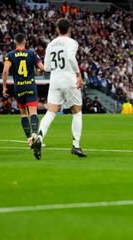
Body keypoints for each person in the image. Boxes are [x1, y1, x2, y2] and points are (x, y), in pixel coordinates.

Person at [36, 18, 86, 159]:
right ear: (69, 29)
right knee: (76, 111)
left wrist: (40, 70)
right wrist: (78, 75)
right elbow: (70, 58)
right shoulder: (72, 42)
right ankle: (76, 146)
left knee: (51, 112)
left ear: (57, 29)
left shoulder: (50, 44)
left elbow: (47, 67)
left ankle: (39, 137)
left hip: (55, 81)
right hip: (69, 80)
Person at [2, 33, 44, 156]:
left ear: (15, 42)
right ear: (25, 41)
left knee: (23, 114)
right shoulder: (31, 54)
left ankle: (29, 139)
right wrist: (41, 70)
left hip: (18, 87)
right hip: (30, 86)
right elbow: (41, 67)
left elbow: (5, 71)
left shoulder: (10, 55)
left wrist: (4, 86)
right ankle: (35, 134)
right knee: (33, 112)